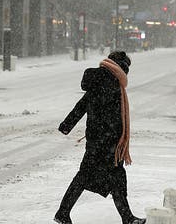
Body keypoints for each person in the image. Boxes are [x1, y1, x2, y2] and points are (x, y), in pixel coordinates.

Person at [55, 51, 145, 224]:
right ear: (121, 67)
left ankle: (63, 213)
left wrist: (67, 125)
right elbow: (107, 114)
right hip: (106, 142)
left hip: (100, 141)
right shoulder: (110, 81)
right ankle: (127, 218)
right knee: (109, 177)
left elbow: (82, 105)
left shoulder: (101, 79)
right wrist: (111, 135)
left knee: (96, 177)